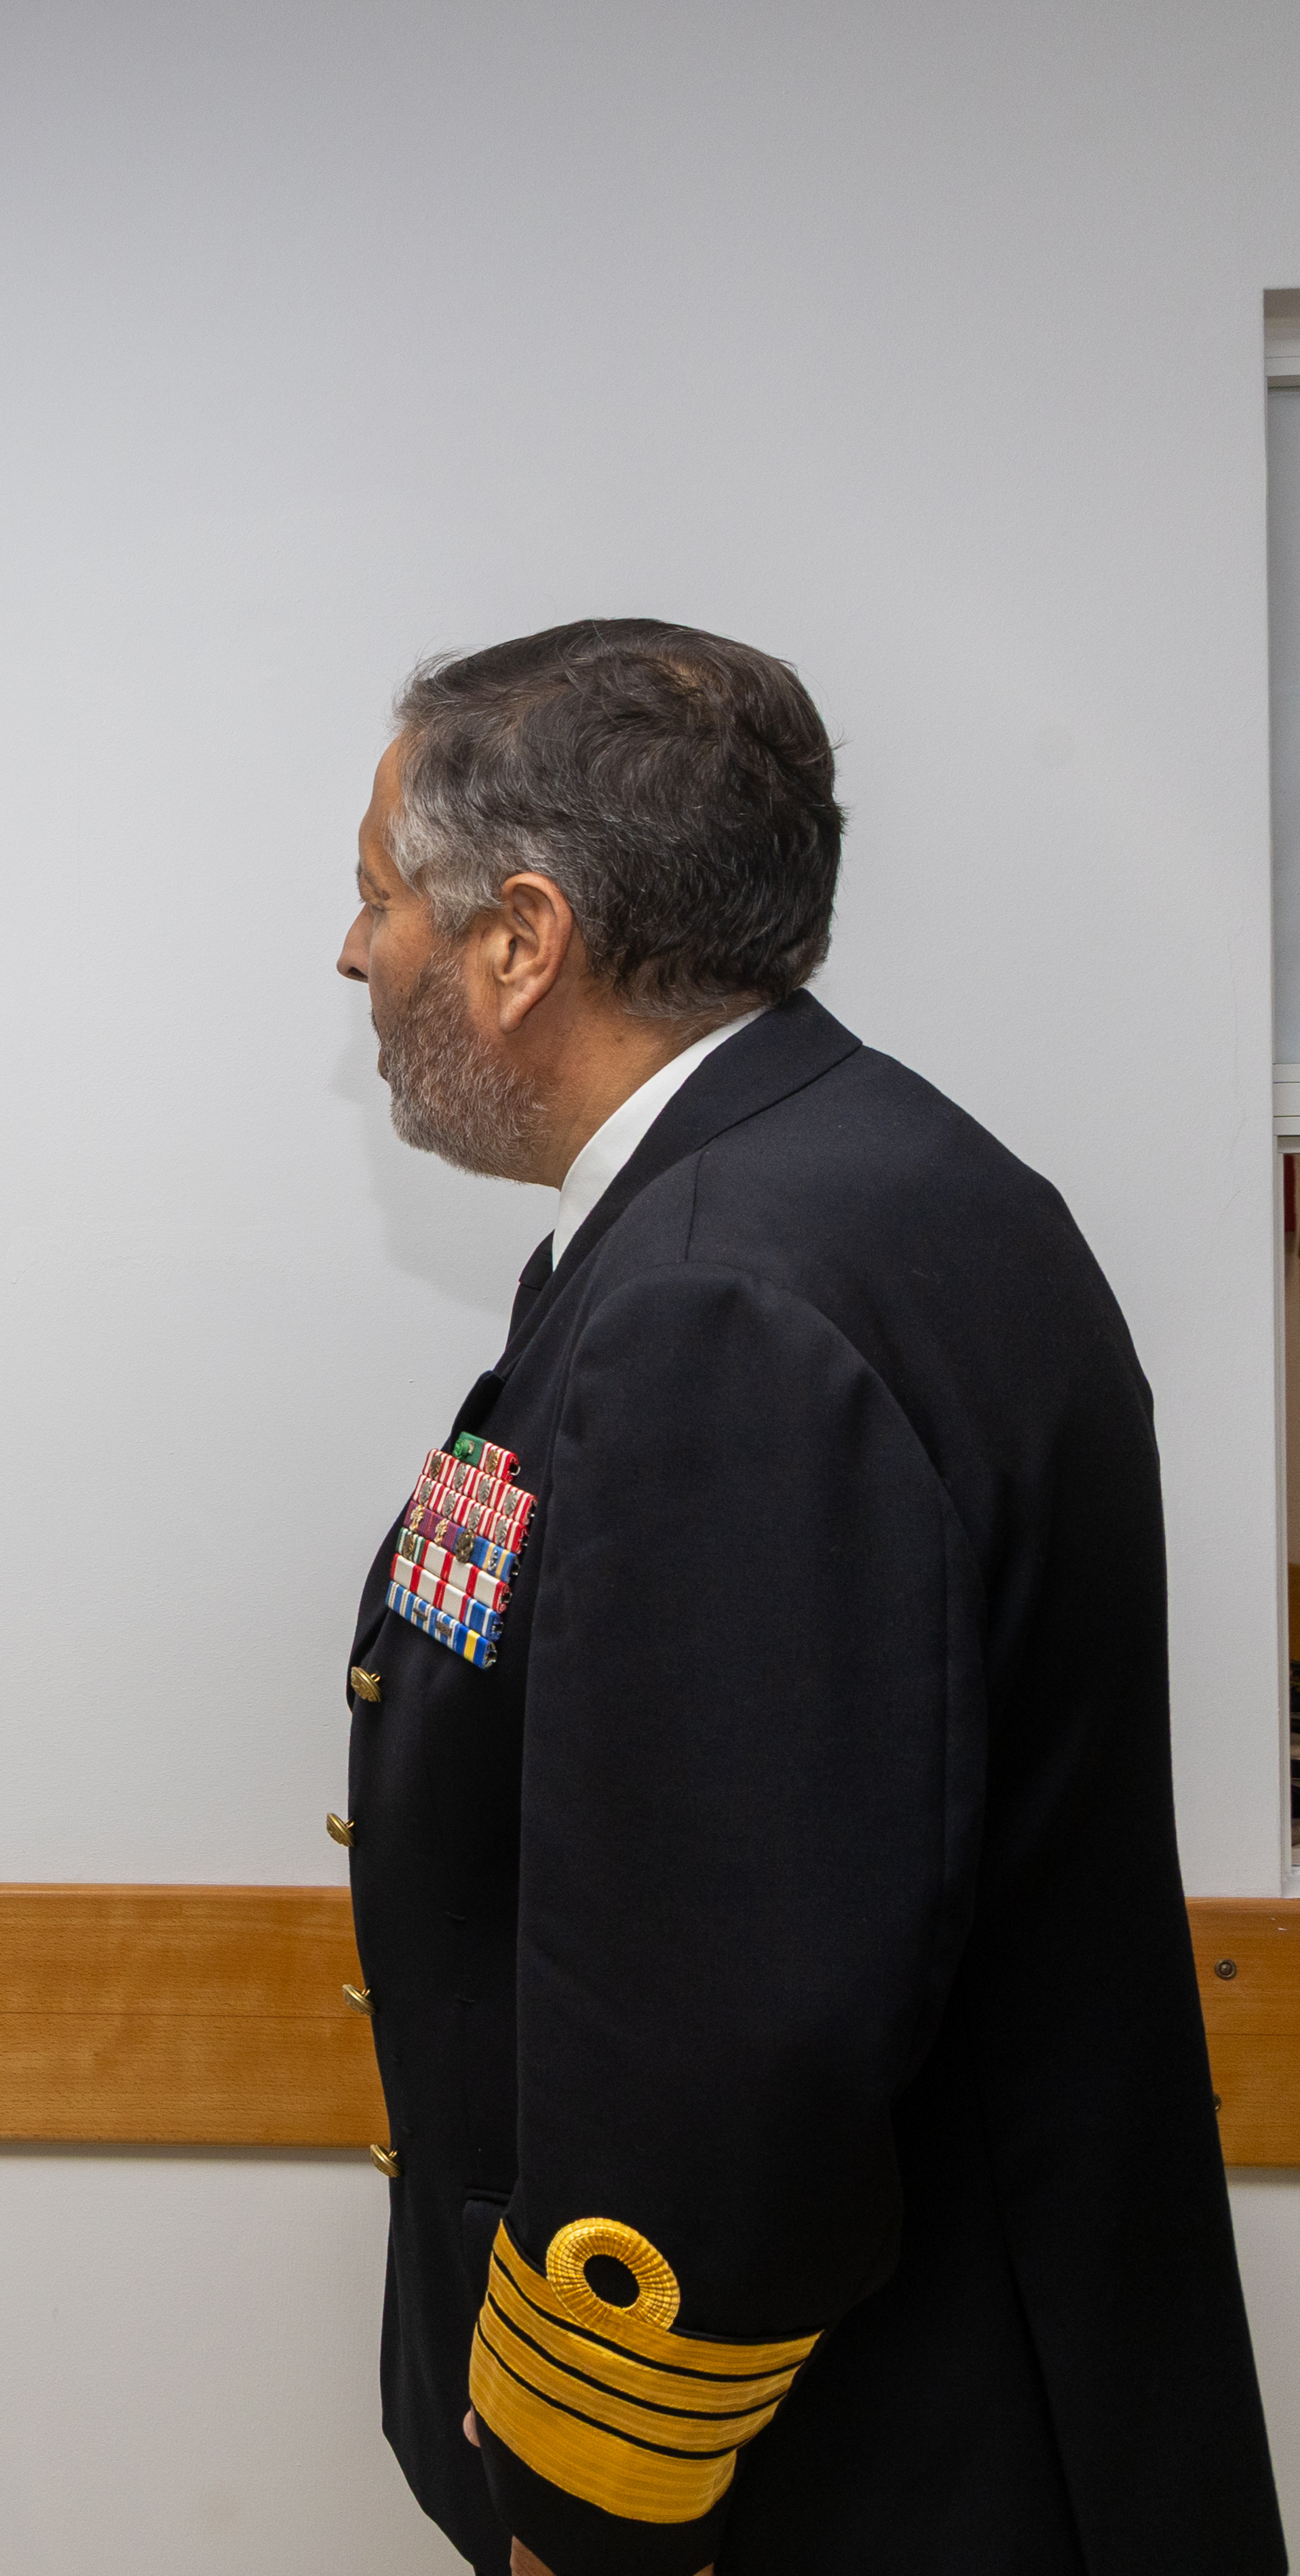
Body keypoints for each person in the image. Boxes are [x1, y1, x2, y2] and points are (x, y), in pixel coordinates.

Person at [330, 621, 1282, 2576]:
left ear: (521, 939)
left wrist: (590, 2501)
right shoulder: (858, 1182)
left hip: (834, 2469)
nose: (356, 956)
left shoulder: (718, 1300)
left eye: (377, 900)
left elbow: (729, 2011)